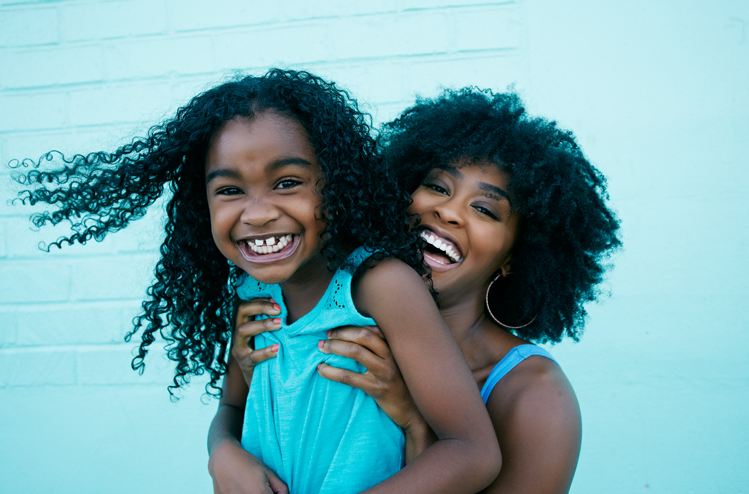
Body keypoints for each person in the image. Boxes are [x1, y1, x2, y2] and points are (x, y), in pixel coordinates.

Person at [10, 70, 500, 494]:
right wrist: (221, 450)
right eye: (229, 190)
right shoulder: (252, 294)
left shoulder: (380, 286)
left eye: (287, 182)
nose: (259, 213)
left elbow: (473, 452)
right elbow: (232, 406)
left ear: (337, 182)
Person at [230, 87, 621, 493]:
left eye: (485, 210)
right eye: (437, 187)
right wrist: (244, 398)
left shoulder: (536, 397)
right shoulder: (340, 327)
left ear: (516, 256)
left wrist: (417, 423)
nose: (448, 212)